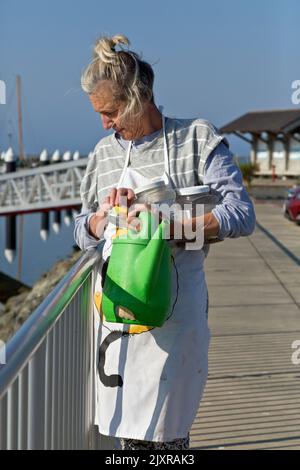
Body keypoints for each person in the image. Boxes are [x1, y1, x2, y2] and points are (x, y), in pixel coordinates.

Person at [74, 34, 256, 450]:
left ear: (141, 97)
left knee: (168, 437)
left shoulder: (195, 138)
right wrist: (105, 222)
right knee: (129, 437)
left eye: (112, 111)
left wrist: (167, 227)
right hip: (118, 318)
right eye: (99, 114)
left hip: (176, 313)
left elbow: (242, 215)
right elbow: (81, 228)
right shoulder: (103, 154)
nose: (105, 123)